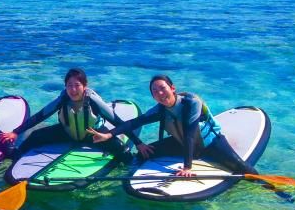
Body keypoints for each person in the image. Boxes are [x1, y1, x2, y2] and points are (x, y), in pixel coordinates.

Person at [90, 74, 257, 177]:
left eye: (162, 88)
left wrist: (187, 167)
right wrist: (109, 135)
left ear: (172, 88)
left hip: (211, 144)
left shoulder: (192, 103)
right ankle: (131, 176)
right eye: (155, 91)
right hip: (181, 144)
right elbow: (135, 122)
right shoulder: (160, 109)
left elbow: (190, 134)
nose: (160, 93)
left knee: (242, 168)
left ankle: (275, 190)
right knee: (143, 154)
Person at [0, 68, 131, 159]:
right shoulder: (62, 99)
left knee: (122, 150)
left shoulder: (93, 100)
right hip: (67, 133)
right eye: (69, 85)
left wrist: (138, 143)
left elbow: (118, 122)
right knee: (34, 136)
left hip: (94, 135)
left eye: (77, 85)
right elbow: (40, 116)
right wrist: (15, 132)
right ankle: (13, 159)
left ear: (85, 85)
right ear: (65, 86)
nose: (73, 90)